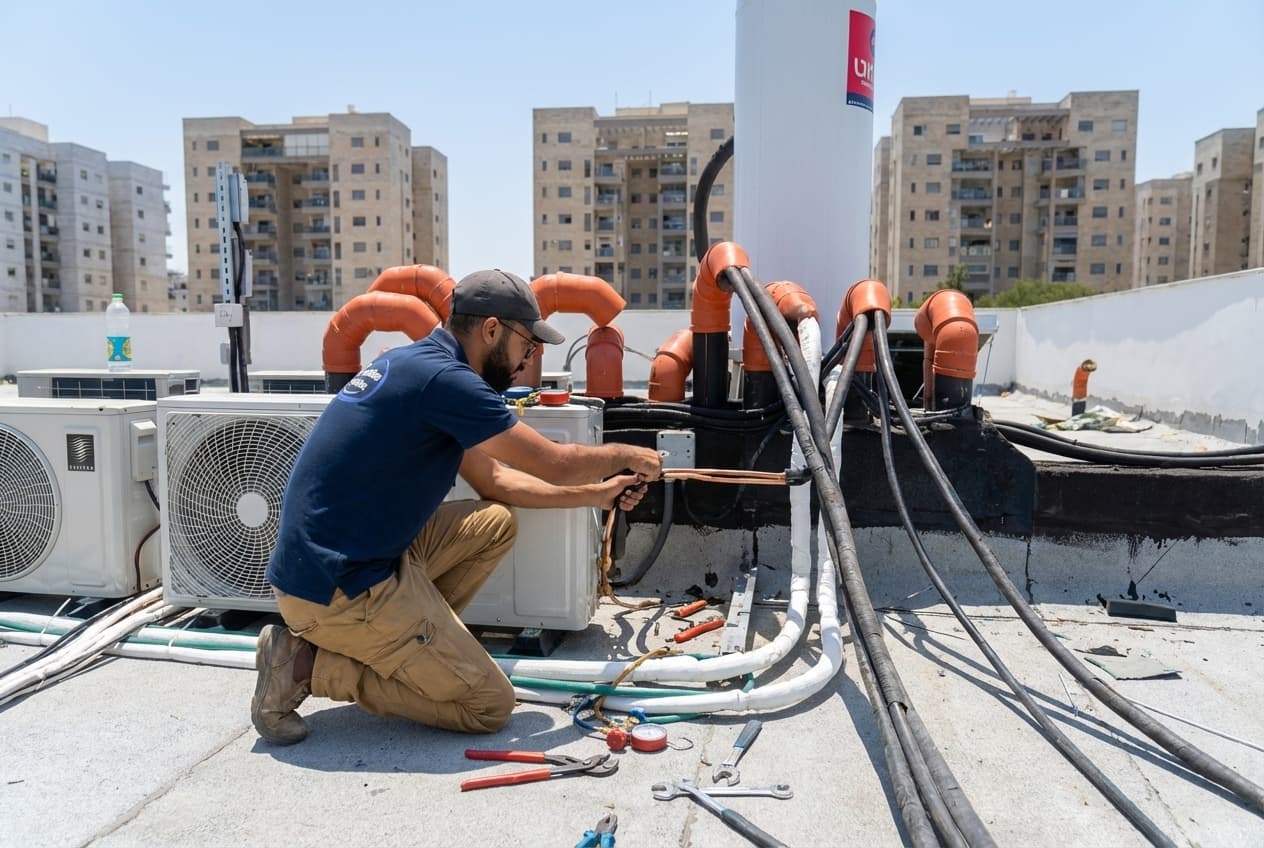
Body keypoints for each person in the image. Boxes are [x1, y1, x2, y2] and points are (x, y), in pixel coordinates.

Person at [252, 269, 662, 745]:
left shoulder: (417, 365)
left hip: (346, 562)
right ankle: (306, 664)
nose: (527, 359)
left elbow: (497, 481)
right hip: (340, 589)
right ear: (491, 330)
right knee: (487, 706)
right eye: (527, 346)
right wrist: (626, 454)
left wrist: (597, 493)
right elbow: (554, 463)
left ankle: (411, 646)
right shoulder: (446, 381)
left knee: (493, 523)